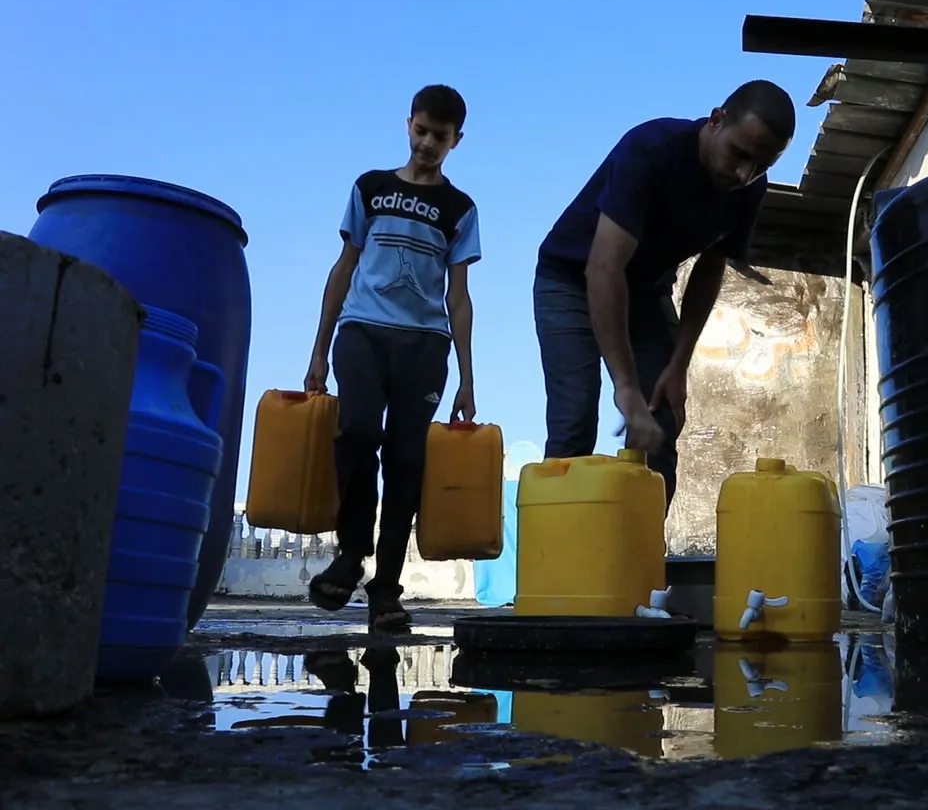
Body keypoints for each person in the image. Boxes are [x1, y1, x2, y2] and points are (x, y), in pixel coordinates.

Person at [533, 79, 795, 507]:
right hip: (571, 279)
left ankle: (640, 548)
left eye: (761, 166)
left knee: (661, 420)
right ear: (716, 120)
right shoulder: (651, 150)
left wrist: (679, 363)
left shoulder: (748, 190)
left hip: (646, 291)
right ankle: (556, 549)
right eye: (739, 154)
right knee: (574, 420)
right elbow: (604, 269)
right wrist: (626, 387)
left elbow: (711, 266)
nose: (744, 174)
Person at [302, 84, 482, 632]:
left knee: (406, 460)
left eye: (439, 136)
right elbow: (343, 268)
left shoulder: (459, 209)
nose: (427, 143)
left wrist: (468, 379)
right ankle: (351, 553)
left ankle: (385, 589)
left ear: (456, 141)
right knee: (356, 432)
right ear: (408, 125)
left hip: (424, 344)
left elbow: (458, 296)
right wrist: (317, 351)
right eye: (421, 131)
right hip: (362, 331)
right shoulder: (371, 188)